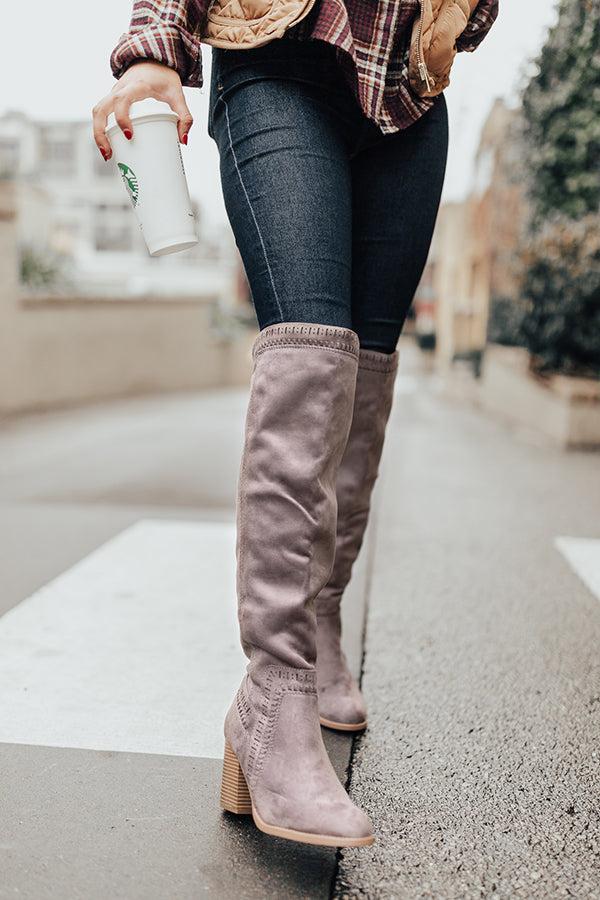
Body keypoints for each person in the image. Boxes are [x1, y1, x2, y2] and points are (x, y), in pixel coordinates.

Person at [93, 0, 498, 849]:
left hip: (409, 93)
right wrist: (154, 49)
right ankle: (274, 693)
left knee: (367, 376)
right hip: (278, 57)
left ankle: (319, 622)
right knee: (310, 351)